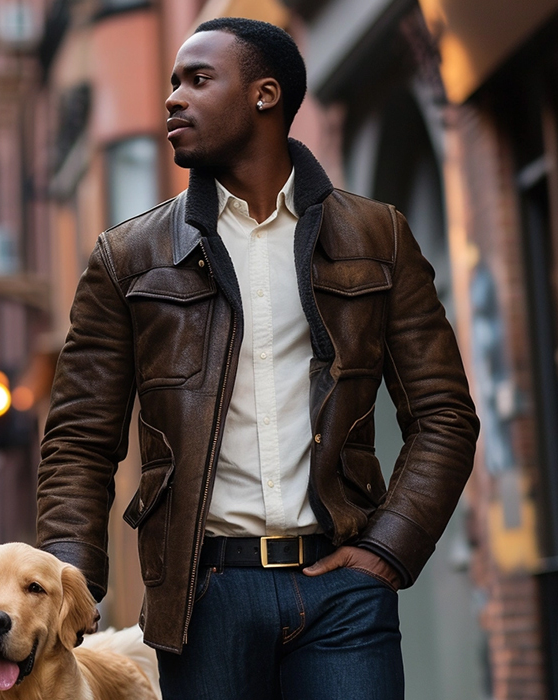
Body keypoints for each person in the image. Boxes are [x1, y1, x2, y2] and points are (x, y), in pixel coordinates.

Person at [36, 17, 479, 700]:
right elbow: (78, 440)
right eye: (173, 81)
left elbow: (444, 413)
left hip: (343, 591)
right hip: (203, 599)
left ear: (264, 95)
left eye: (198, 80)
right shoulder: (127, 258)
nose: (173, 99)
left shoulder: (378, 234)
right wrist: (67, 582)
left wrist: (388, 551)